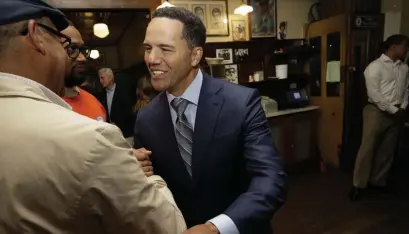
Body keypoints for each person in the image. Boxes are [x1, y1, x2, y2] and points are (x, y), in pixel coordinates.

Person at [0, 0, 186, 233]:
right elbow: (168, 227)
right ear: (36, 35)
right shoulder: (91, 140)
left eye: (165, 49)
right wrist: (142, 176)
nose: (72, 57)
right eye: (64, 43)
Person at [134, 7, 286, 234]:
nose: (152, 59)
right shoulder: (146, 118)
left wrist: (215, 228)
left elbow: (270, 180)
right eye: (148, 48)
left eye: (165, 49)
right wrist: (133, 170)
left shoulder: (241, 103)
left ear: (195, 55)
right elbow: (150, 189)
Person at [350, 34, 409, 201]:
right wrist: (392, 109)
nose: (407, 50)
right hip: (376, 111)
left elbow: (406, 90)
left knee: (387, 150)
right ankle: (358, 185)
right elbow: (374, 94)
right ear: (394, 47)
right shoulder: (375, 67)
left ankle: (378, 181)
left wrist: (402, 107)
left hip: (397, 112)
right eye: (405, 46)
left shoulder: (404, 68)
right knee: (367, 148)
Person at [62, 25, 107, 121]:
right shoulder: (39, 107)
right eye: (71, 49)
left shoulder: (94, 102)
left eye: (82, 50)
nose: (83, 58)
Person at [98, 67, 136, 144]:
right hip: (111, 137)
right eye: (99, 78)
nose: (100, 81)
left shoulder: (123, 92)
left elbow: (129, 113)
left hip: (126, 135)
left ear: (111, 77)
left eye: (102, 78)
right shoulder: (101, 95)